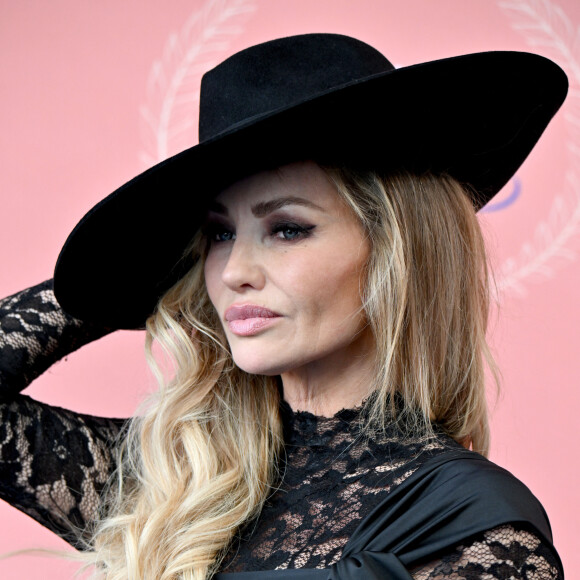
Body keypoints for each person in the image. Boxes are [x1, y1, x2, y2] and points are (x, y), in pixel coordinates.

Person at [0, 33, 567, 579]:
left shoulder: (473, 527)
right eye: (219, 236)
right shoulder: (181, 482)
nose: (236, 273)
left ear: (400, 250)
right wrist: (141, 270)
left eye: (288, 229)